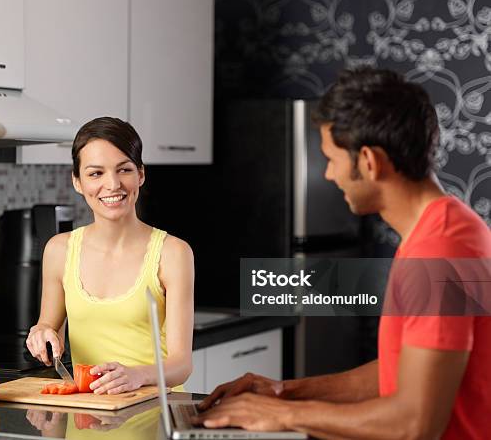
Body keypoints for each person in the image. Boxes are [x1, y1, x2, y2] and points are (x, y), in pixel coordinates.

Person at [193, 67, 491, 439]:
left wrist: (283, 416)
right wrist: (284, 392)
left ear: (369, 161)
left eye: (332, 160)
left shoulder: (439, 250)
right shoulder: (445, 227)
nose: (330, 175)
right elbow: (403, 370)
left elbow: (415, 422)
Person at [26, 117, 194, 395]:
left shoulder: (173, 253)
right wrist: (41, 333)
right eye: (95, 173)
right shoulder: (59, 250)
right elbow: (49, 327)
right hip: (86, 421)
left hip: (155, 419)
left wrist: (136, 375)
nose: (112, 184)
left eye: (124, 169)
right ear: (77, 181)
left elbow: (181, 365)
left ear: (141, 174)